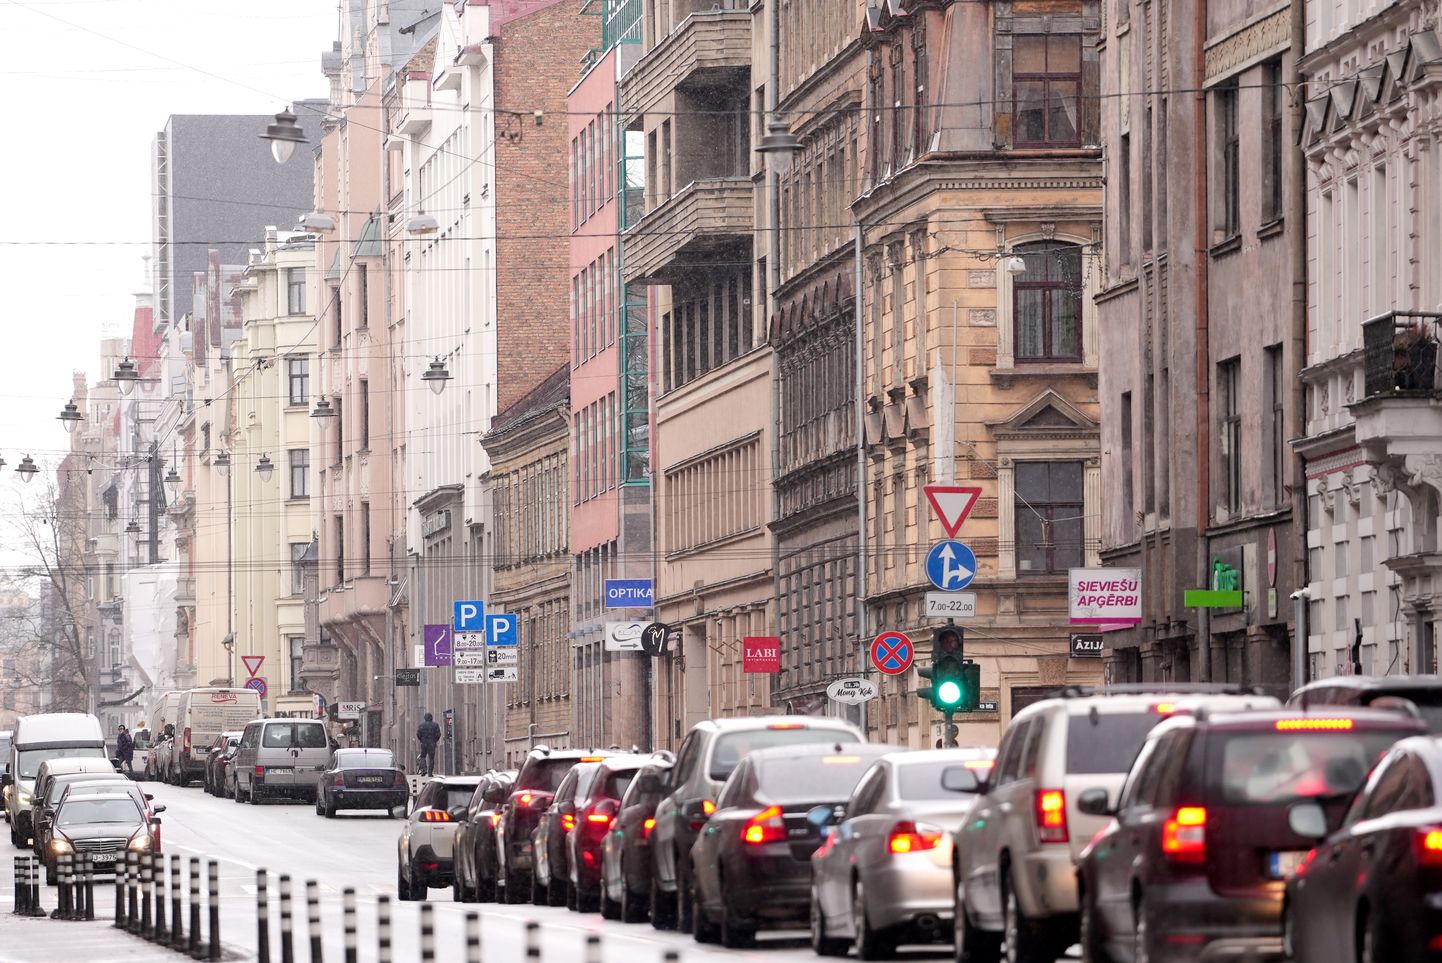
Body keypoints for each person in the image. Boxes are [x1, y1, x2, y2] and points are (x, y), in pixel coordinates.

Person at [416, 713, 441, 777]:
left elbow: (418, 734)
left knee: (422, 757)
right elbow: (438, 734)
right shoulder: (435, 725)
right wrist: (434, 740)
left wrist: (421, 740)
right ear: (431, 718)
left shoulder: (421, 725)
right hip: (432, 744)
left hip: (424, 743)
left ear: (425, 718)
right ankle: (430, 773)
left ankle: (424, 769)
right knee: (431, 758)